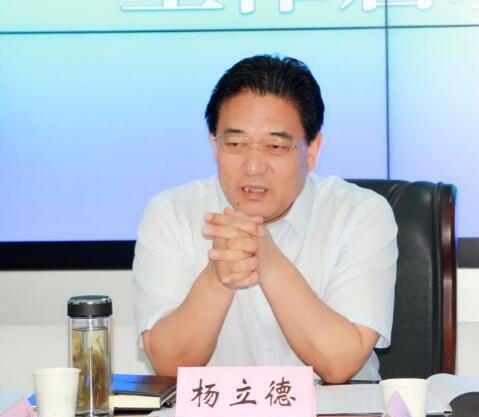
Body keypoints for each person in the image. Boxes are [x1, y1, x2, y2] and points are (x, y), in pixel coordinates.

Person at [133, 54, 398, 384]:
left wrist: (267, 259)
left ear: (312, 149)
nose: (253, 166)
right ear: (214, 144)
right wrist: (217, 279)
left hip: (335, 415)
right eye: (235, 143)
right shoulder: (170, 214)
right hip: (218, 416)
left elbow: (339, 364)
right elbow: (169, 367)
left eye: (275, 146)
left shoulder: (360, 214)